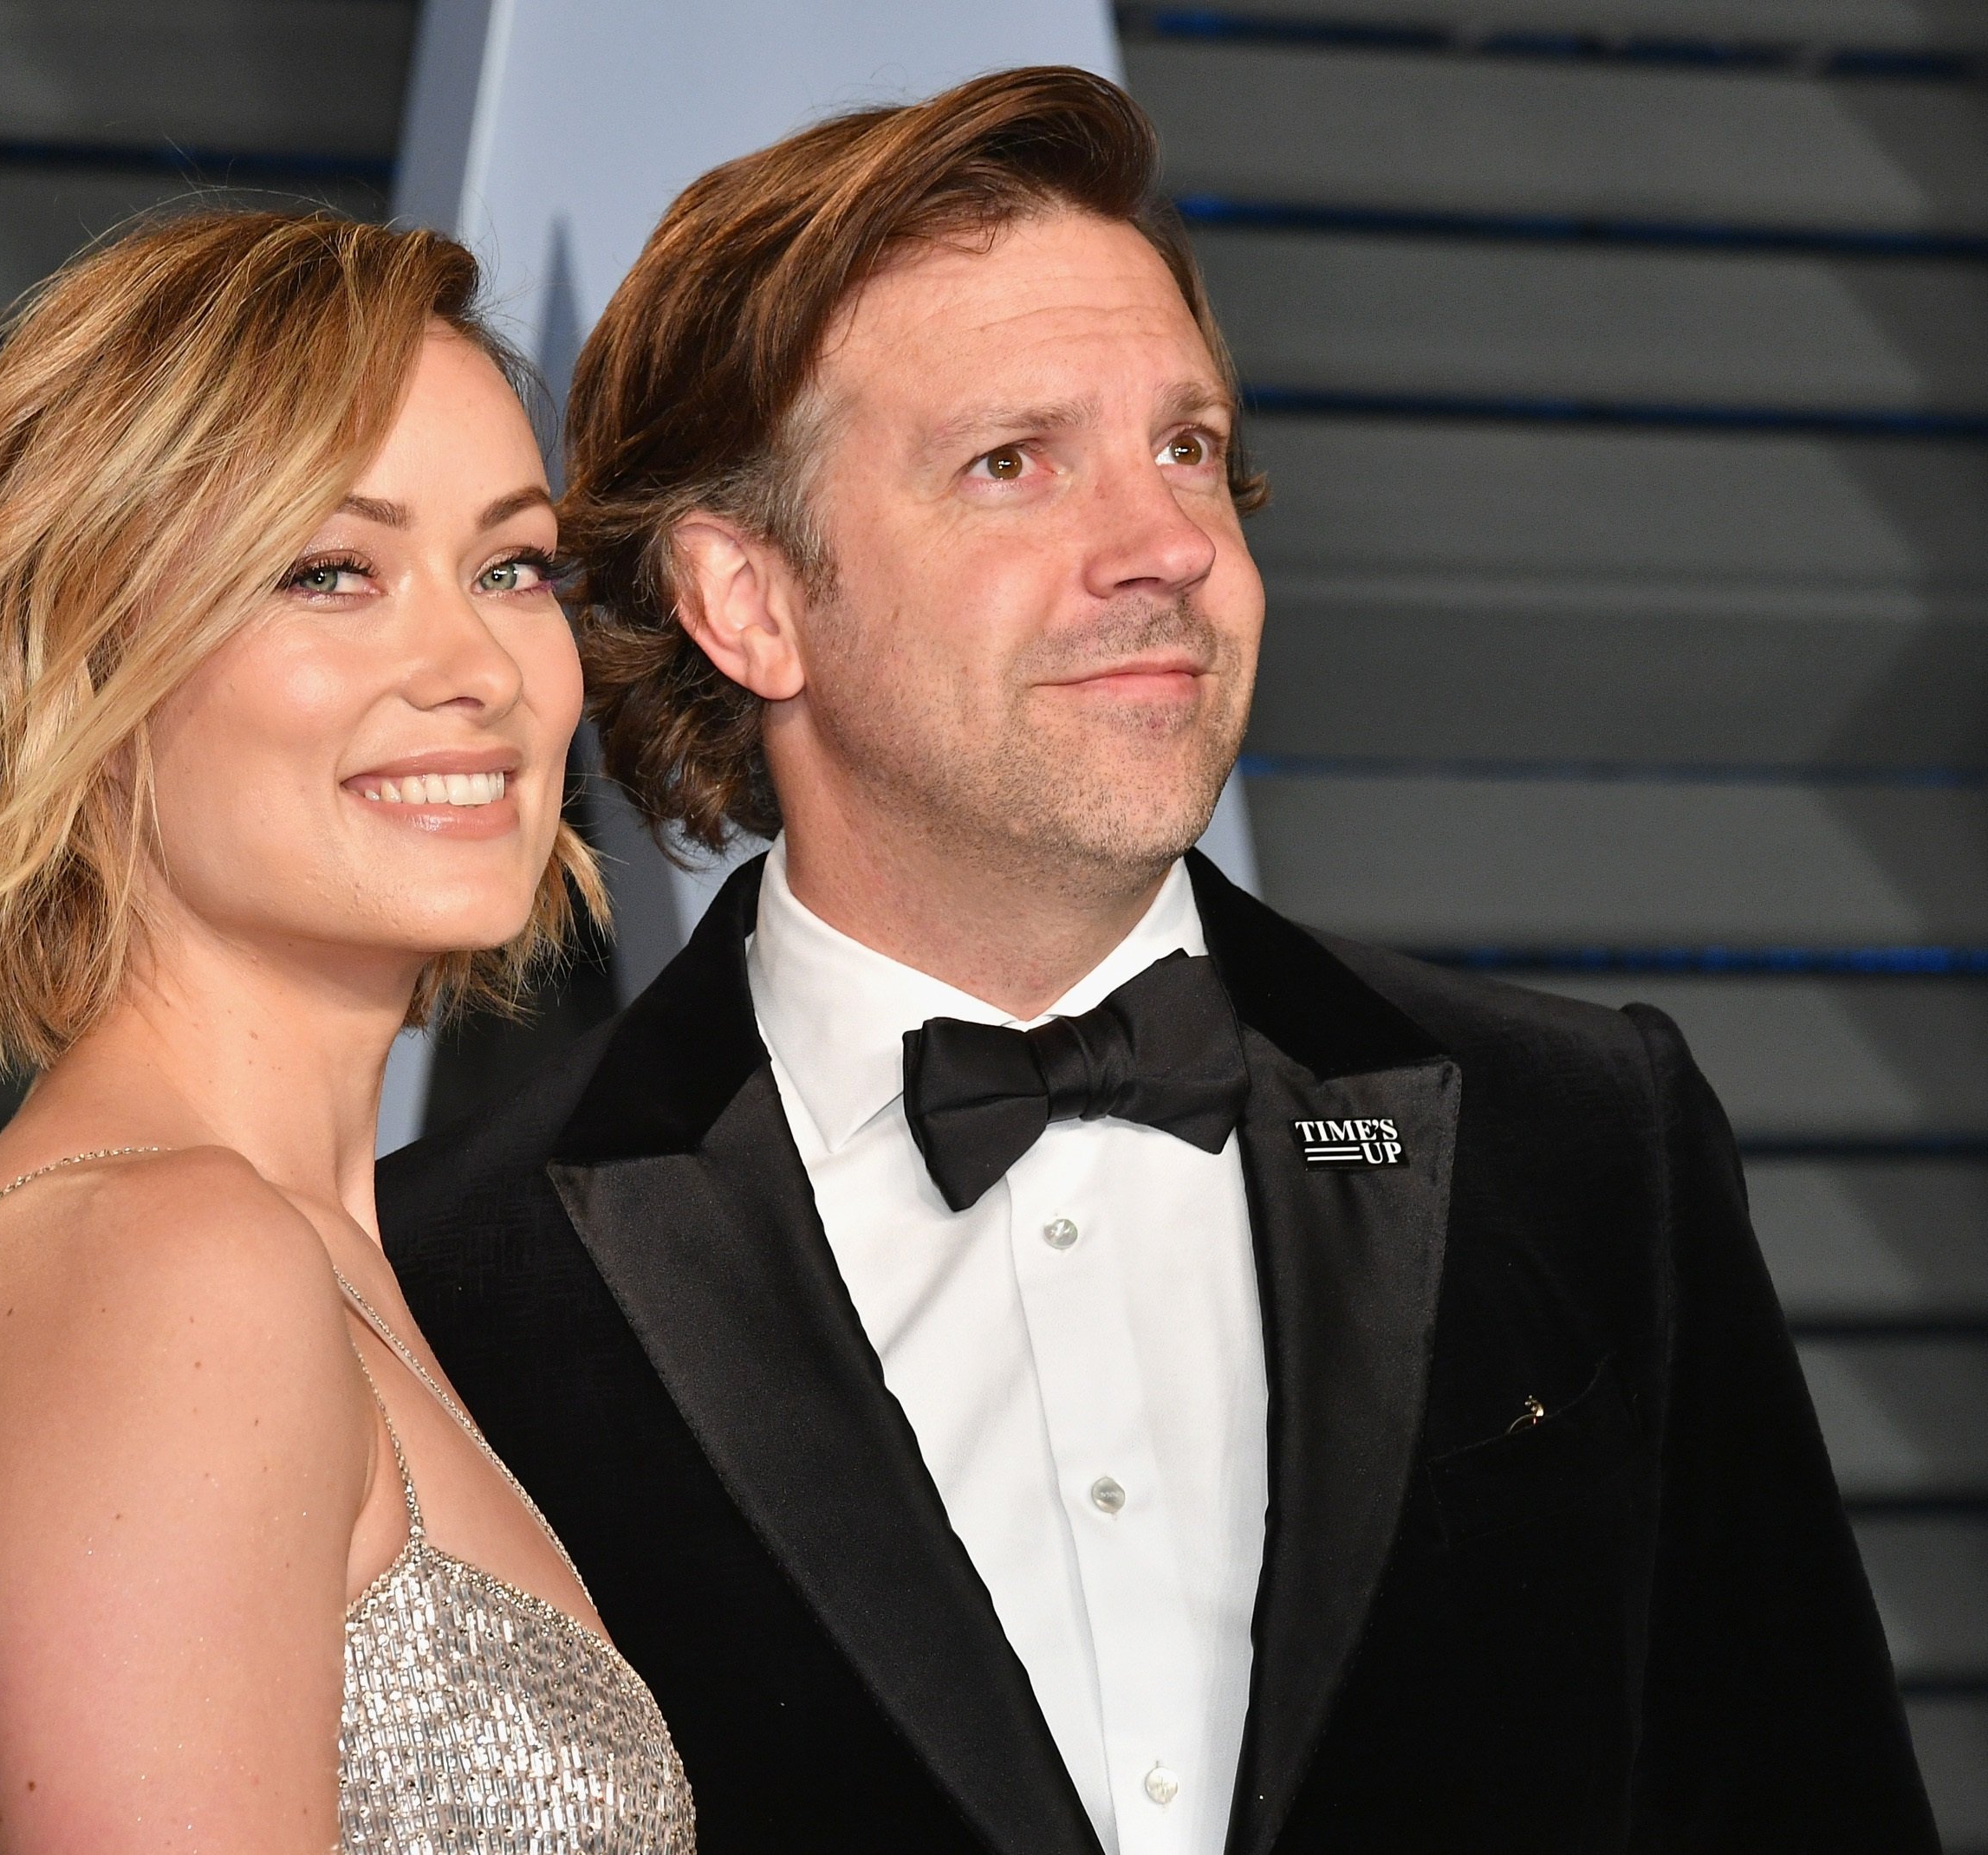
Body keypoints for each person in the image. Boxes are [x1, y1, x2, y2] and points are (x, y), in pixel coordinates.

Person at [377, 66, 1938, 1855]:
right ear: (750, 599)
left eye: (1186, 447)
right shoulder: (447, 1281)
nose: (1171, 548)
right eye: (1013, 463)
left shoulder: (1586, 1141)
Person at [0, 211, 693, 1853]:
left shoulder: (225, 1248)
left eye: (512, 567)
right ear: (89, 666)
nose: (478, 666)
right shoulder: (170, 1264)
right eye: (331, 572)